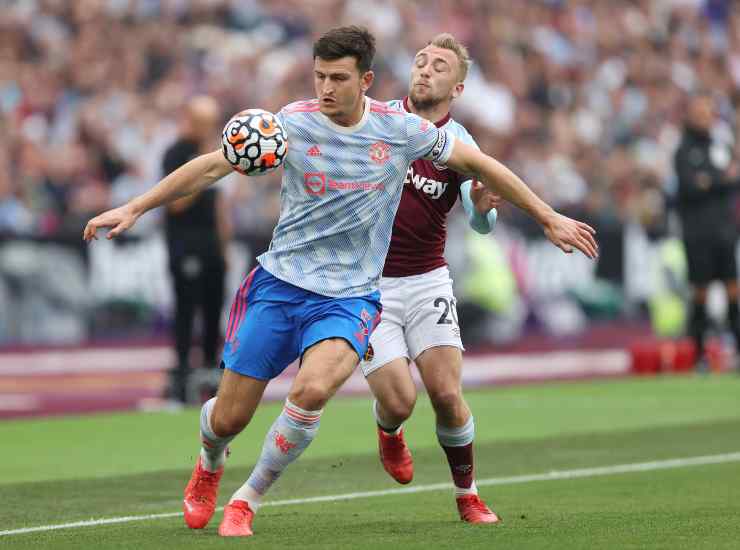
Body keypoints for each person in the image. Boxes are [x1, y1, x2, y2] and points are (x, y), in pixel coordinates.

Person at [83, 26, 597, 538]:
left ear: (365, 80)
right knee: (229, 417)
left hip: (351, 297)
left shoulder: (401, 131)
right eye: (319, 76)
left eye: (337, 78)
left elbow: (482, 165)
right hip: (280, 284)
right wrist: (135, 206)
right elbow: (211, 169)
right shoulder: (291, 124)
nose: (325, 88)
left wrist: (548, 216)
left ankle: (247, 499)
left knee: (312, 392)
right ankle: (210, 461)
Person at [361, 33, 503, 524]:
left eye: (439, 66)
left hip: (426, 280)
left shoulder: (461, 142)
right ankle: (389, 429)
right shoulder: (377, 120)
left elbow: (479, 222)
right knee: (400, 401)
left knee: (445, 394)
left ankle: (468, 495)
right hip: (368, 285)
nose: (424, 70)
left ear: (457, 88)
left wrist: (484, 209)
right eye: (420, 62)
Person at [162, 95, 231, 404]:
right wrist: (200, 173)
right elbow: (174, 203)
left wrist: (224, 246)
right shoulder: (175, 153)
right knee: (186, 312)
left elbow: (219, 205)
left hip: (210, 248)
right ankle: (181, 378)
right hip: (185, 245)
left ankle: (210, 375)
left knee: (214, 311)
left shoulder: (213, 154)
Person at [674, 92, 740, 369]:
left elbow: (728, 178)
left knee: (733, 292)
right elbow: (691, 186)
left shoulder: (719, 145)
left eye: (708, 113)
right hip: (698, 235)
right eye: (700, 113)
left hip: (724, 232)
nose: (706, 118)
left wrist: (711, 181)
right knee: (699, 293)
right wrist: (720, 180)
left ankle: (736, 351)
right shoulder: (684, 150)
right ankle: (698, 355)